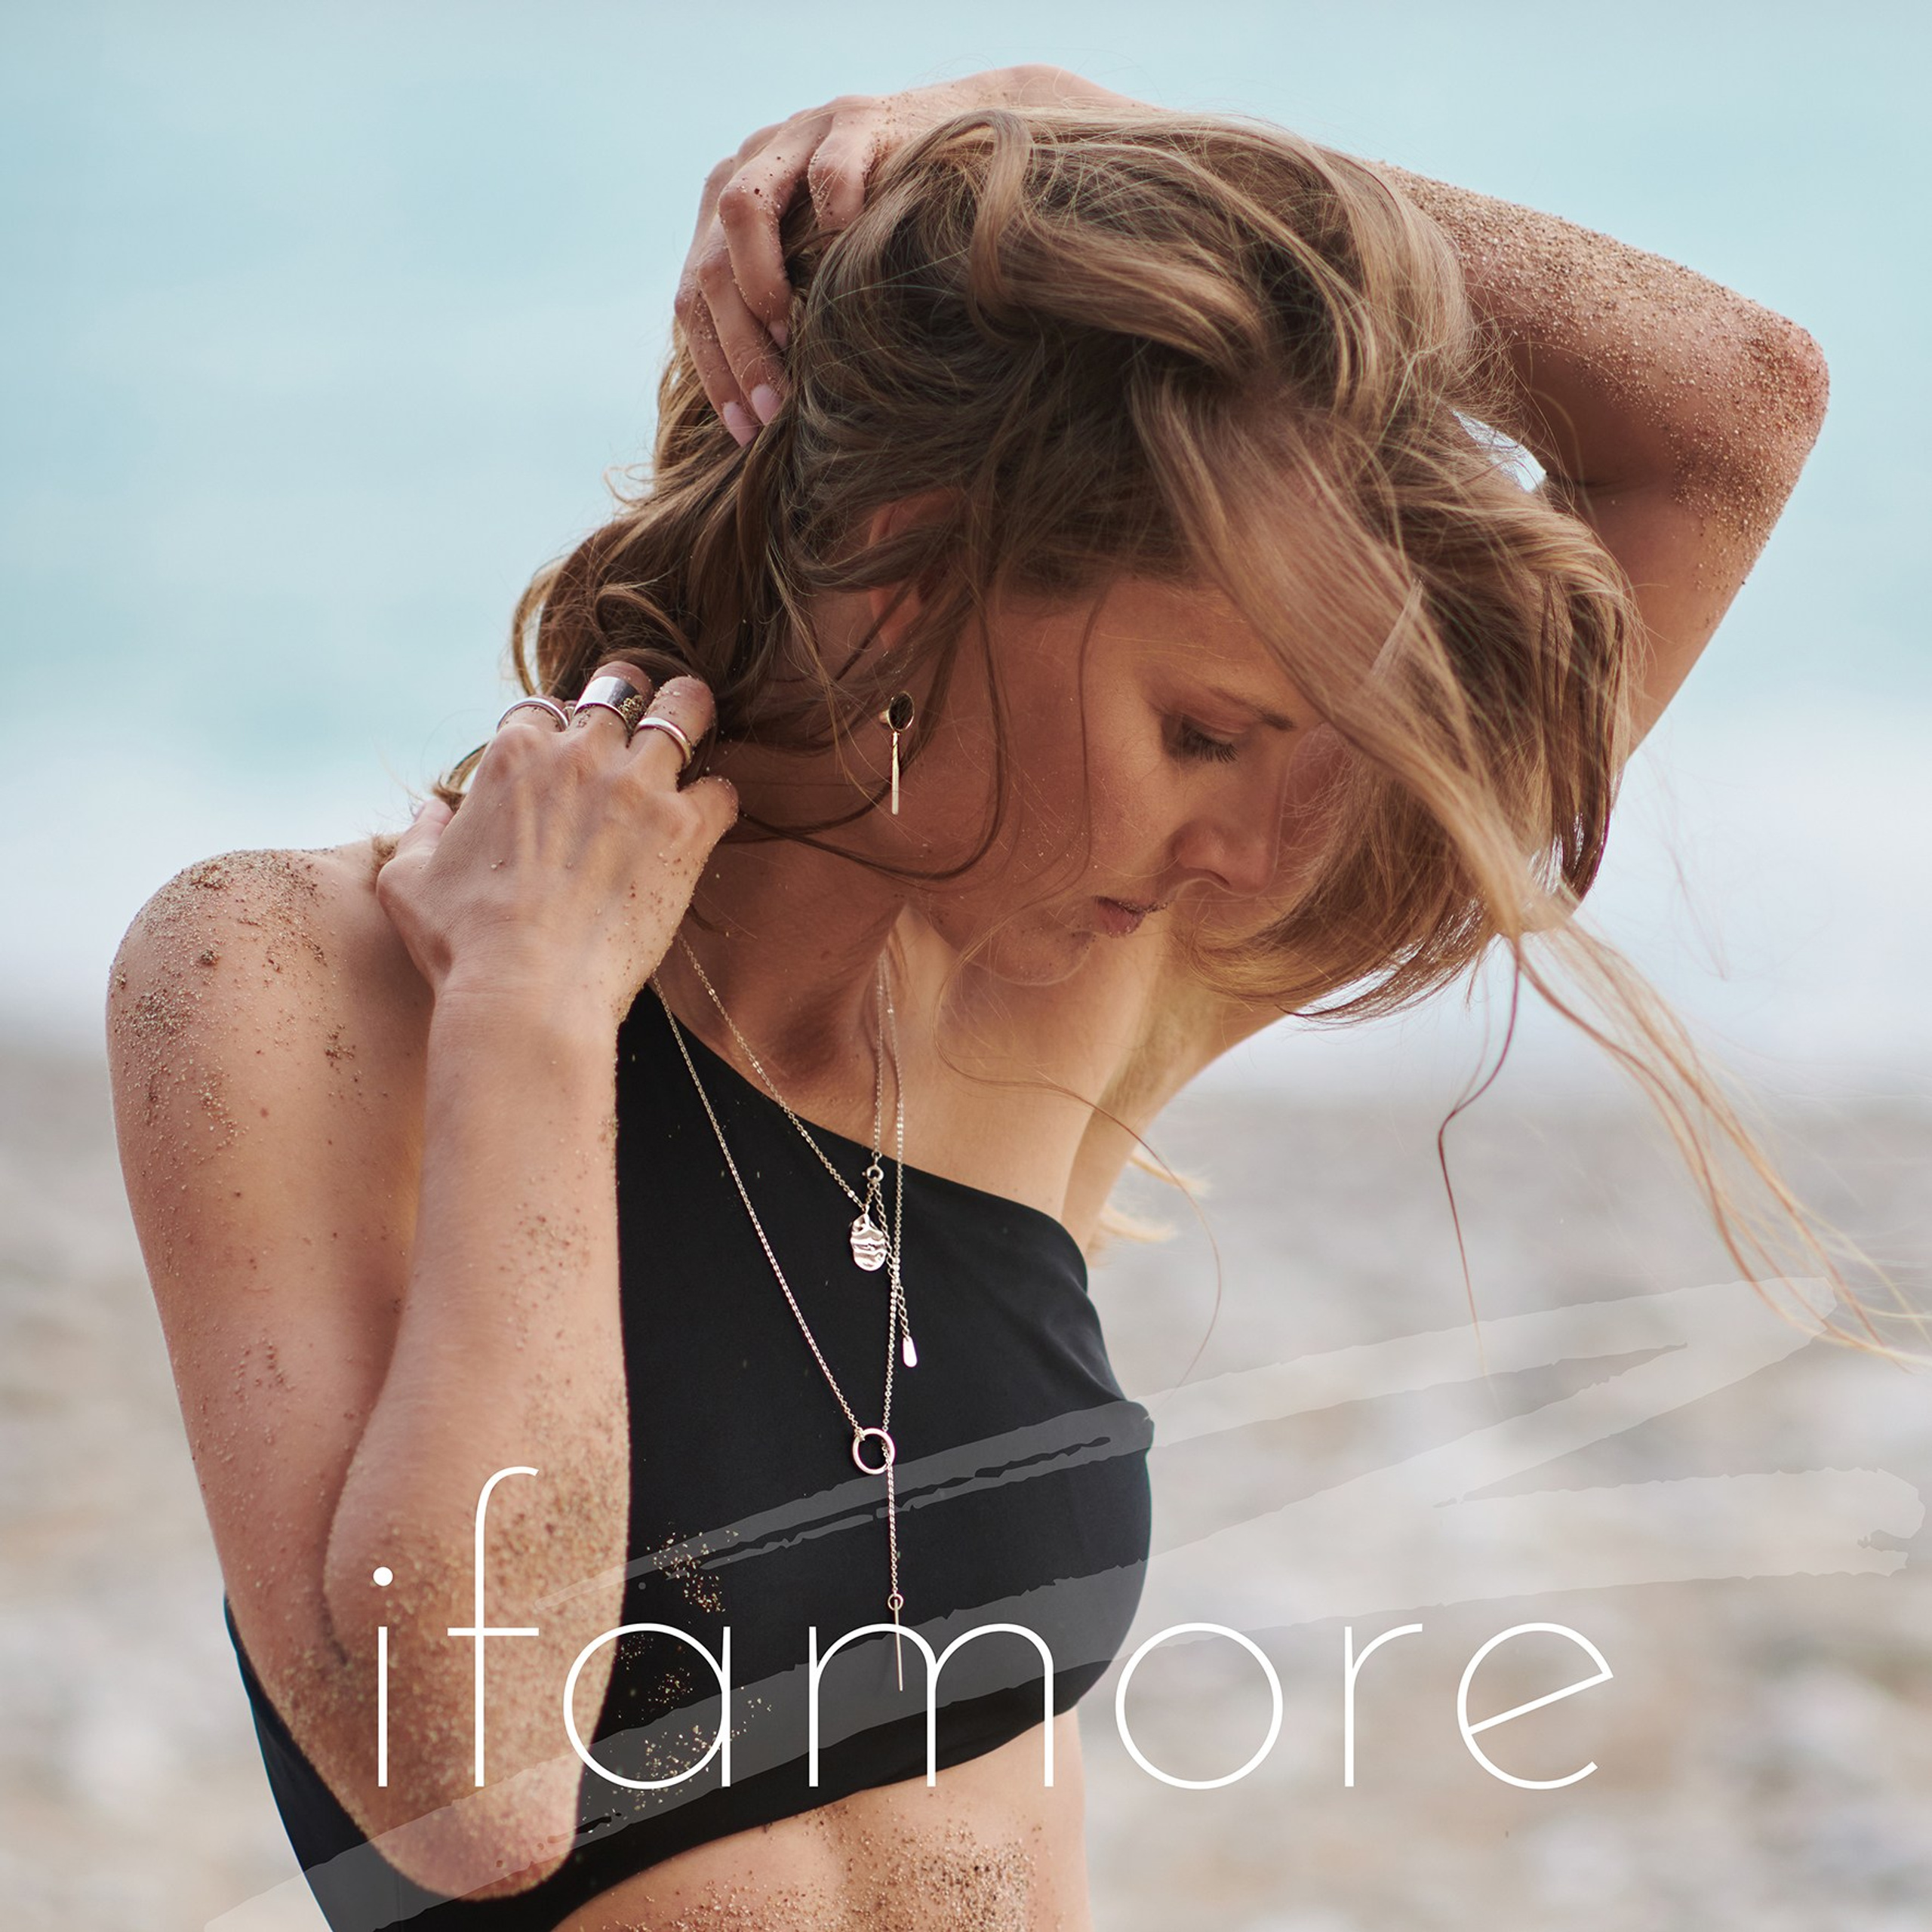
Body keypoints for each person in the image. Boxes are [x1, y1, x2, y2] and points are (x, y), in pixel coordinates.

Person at [107, 63, 1847, 1932]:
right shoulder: (280, 980)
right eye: (1199, 732)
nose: (1257, 855)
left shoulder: (1102, 978)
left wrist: (1074, 139)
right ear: (901, 567)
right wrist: (531, 1014)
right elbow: (472, 1791)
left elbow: (1728, 408)